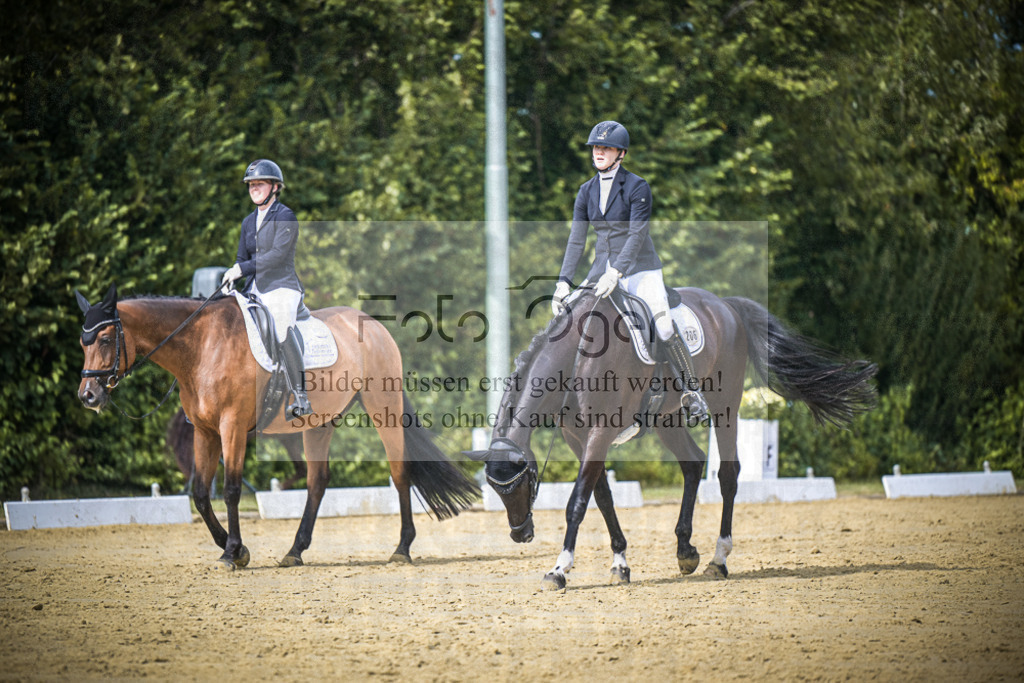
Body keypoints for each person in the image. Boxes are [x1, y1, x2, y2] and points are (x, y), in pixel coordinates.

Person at [551, 121, 708, 419]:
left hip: (640, 270)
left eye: (605, 148)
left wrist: (618, 272)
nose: (599, 152)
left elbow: (637, 235)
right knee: (567, 320)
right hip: (600, 271)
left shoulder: (637, 186)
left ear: (620, 153)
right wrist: (563, 283)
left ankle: (691, 392)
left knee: (661, 324)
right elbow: (577, 239)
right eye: (596, 147)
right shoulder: (585, 191)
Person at [221, 158, 312, 418]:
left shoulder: (285, 216)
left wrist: (243, 269)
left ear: (274, 187)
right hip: (254, 288)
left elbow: (277, 256)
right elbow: (241, 258)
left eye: (259, 184)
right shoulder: (248, 222)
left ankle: (300, 396)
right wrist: (233, 277)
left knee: (281, 325)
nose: (253, 188)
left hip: (282, 287)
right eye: (250, 185)